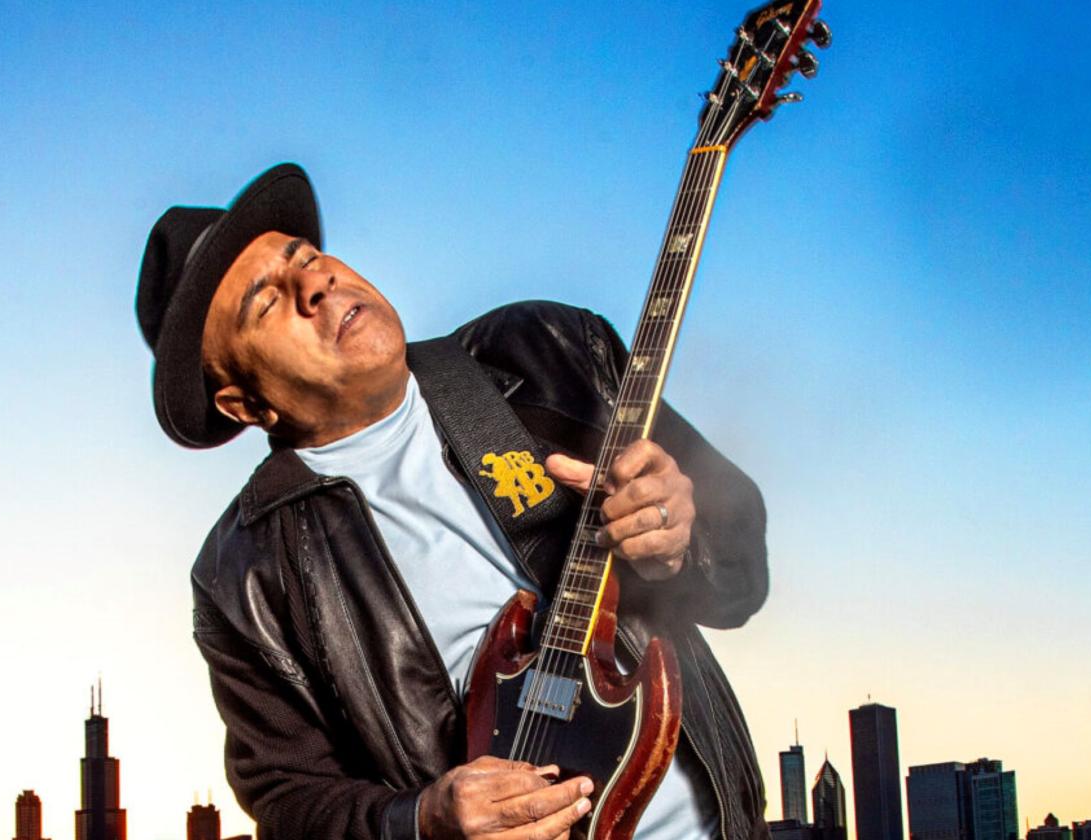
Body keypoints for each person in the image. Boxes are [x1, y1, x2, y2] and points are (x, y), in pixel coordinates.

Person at [136, 163, 771, 840]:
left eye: (309, 256)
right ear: (245, 402)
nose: (314, 283)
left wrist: (683, 537)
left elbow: (742, 580)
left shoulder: (548, 350)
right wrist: (421, 819)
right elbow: (287, 799)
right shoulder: (243, 574)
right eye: (266, 302)